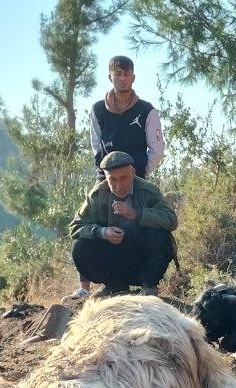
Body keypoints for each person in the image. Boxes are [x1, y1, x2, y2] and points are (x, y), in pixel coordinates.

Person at [67, 56, 168, 299]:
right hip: (106, 177)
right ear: (110, 76)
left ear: (133, 77)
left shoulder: (146, 110)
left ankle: (148, 284)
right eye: (118, 73)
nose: (122, 78)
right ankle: (91, 287)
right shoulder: (98, 109)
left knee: (153, 231)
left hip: (136, 176)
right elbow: (95, 144)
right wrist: (108, 177)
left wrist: (138, 175)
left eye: (127, 74)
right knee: (97, 227)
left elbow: (157, 148)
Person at [65, 151, 178, 300]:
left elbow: (171, 220)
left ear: (133, 173)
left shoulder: (148, 191)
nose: (118, 185)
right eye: (113, 179)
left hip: (142, 261)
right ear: (105, 177)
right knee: (80, 246)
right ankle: (115, 287)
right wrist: (102, 232)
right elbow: (75, 227)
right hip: (113, 262)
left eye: (124, 178)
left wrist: (137, 214)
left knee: (161, 236)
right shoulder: (97, 195)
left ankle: (149, 287)